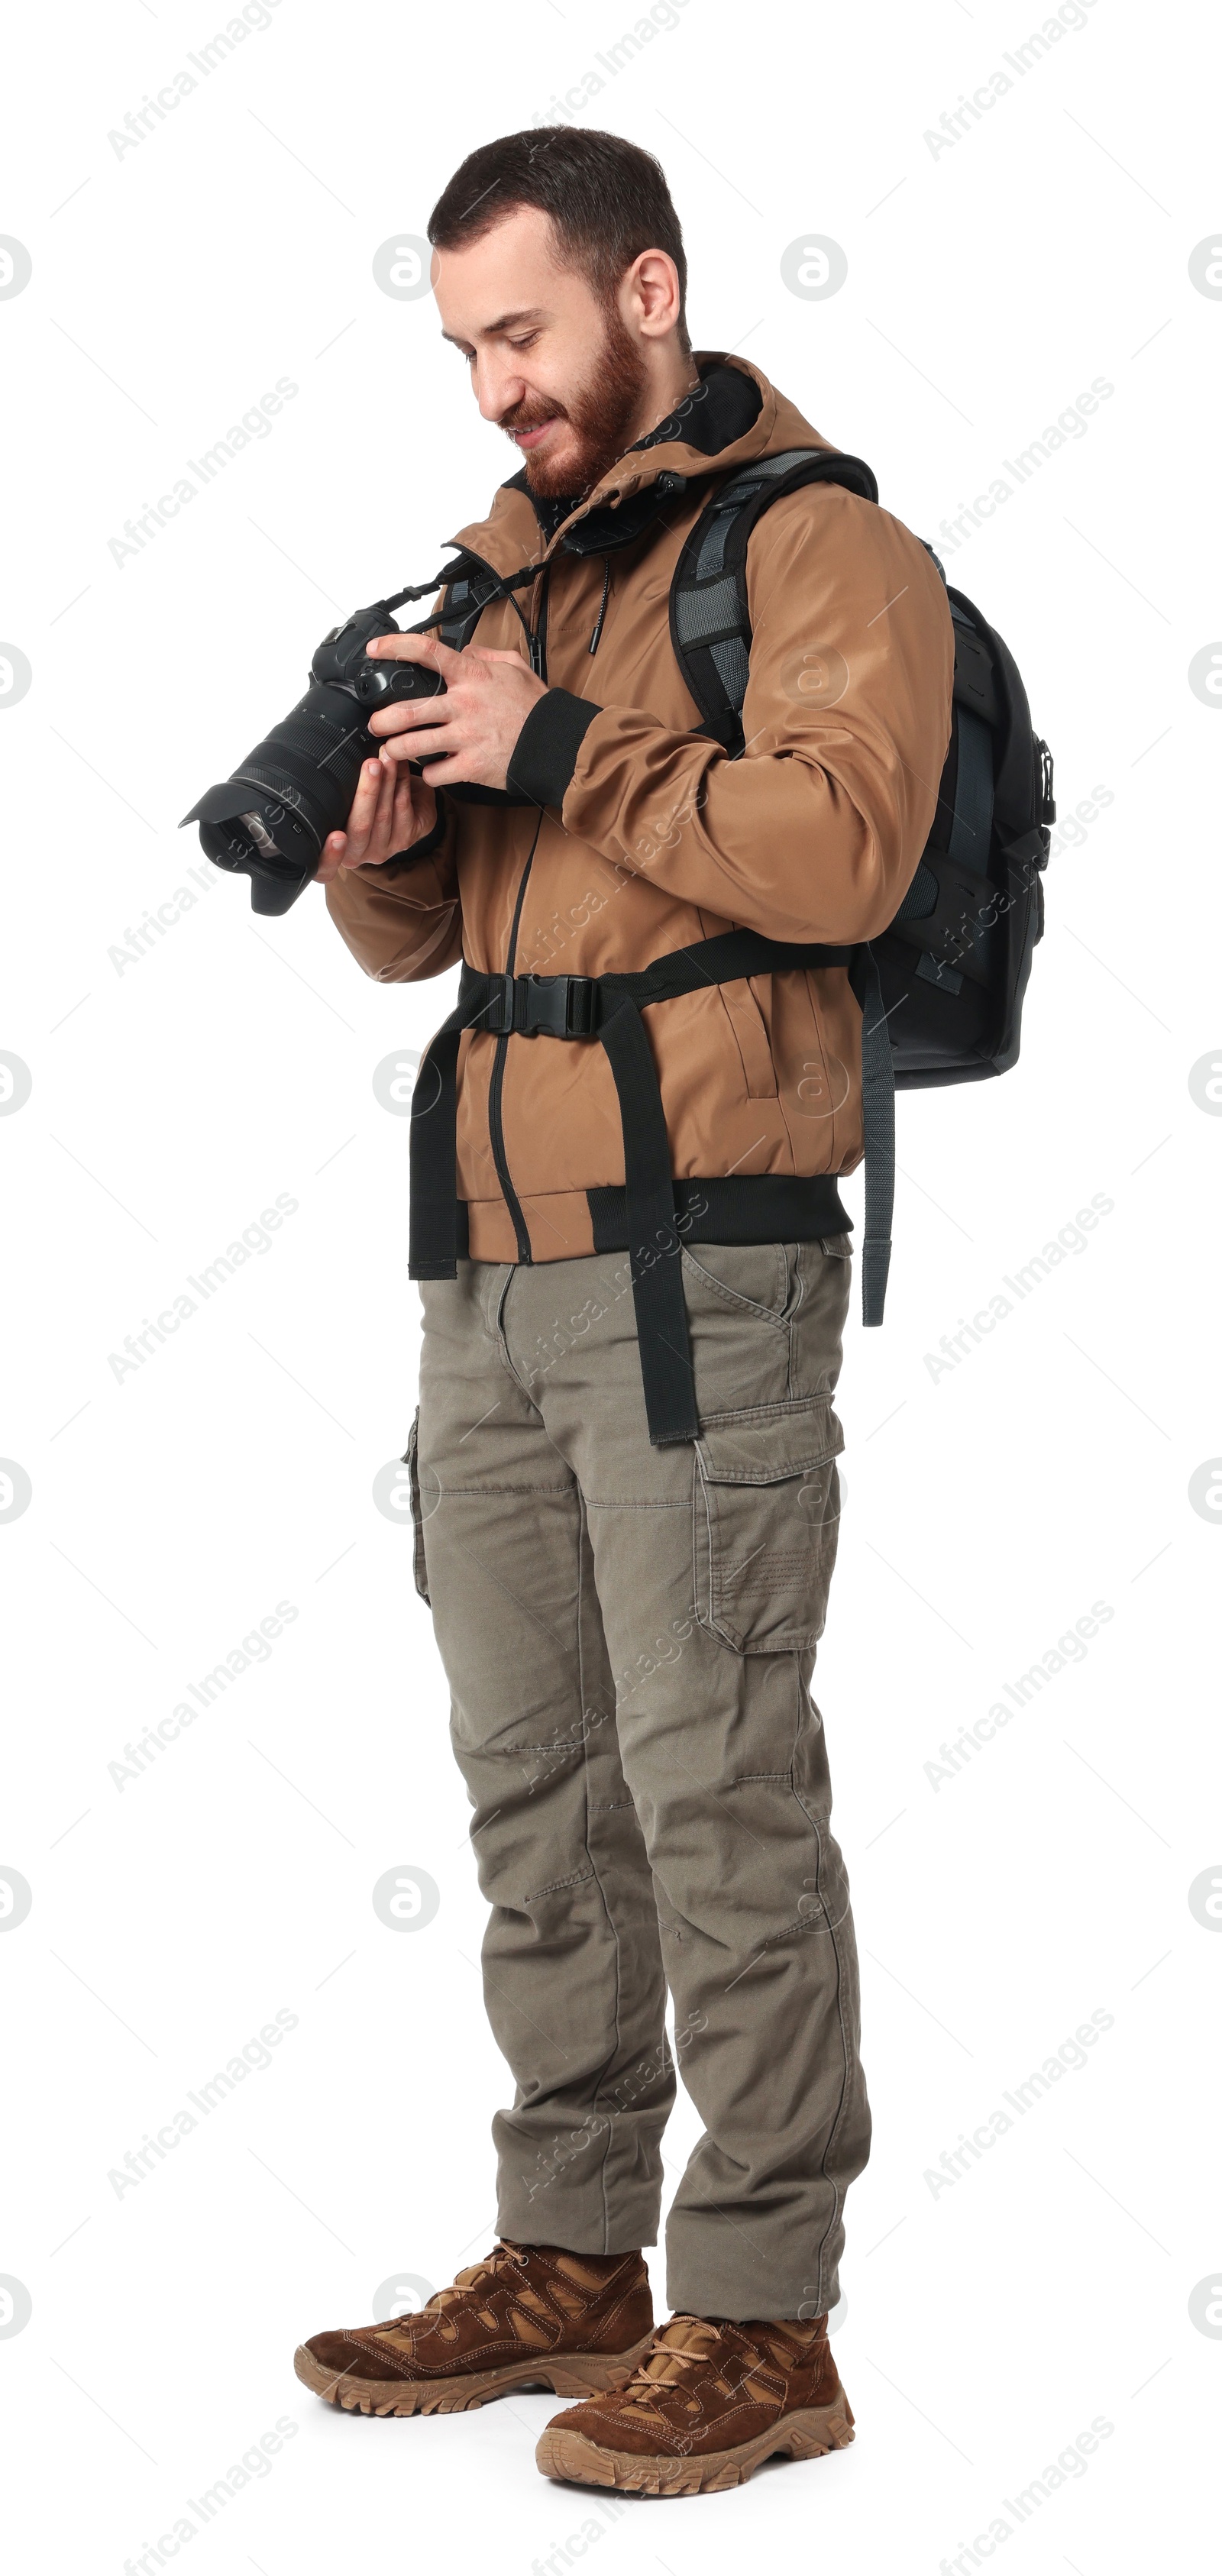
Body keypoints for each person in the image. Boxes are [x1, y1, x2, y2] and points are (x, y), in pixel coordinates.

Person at [294, 125, 953, 2497]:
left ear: (648, 291)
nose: (495, 388)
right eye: (464, 345)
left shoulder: (821, 549)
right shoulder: (511, 579)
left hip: (707, 1271)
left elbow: (843, 844)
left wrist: (552, 736)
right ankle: (571, 2251)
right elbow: (461, 924)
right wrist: (389, 852)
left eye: (524, 333)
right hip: (487, 1274)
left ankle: (764, 2309)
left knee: (717, 1797)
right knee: (538, 1798)